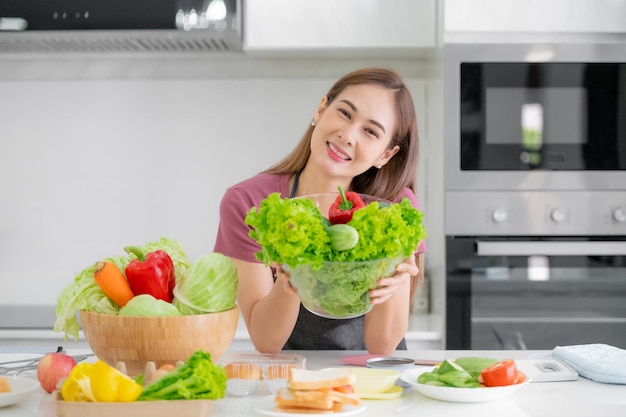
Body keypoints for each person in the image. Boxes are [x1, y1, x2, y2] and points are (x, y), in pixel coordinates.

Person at [214, 67, 426, 355]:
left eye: (370, 131)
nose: (348, 135)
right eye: (345, 113)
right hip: (293, 381)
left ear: (385, 155)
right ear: (321, 110)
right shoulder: (249, 201)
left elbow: (383, 345)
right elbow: (266, 341)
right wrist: (291, 277)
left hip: (373, 380)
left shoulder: (395, 211)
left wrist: (394, 280)